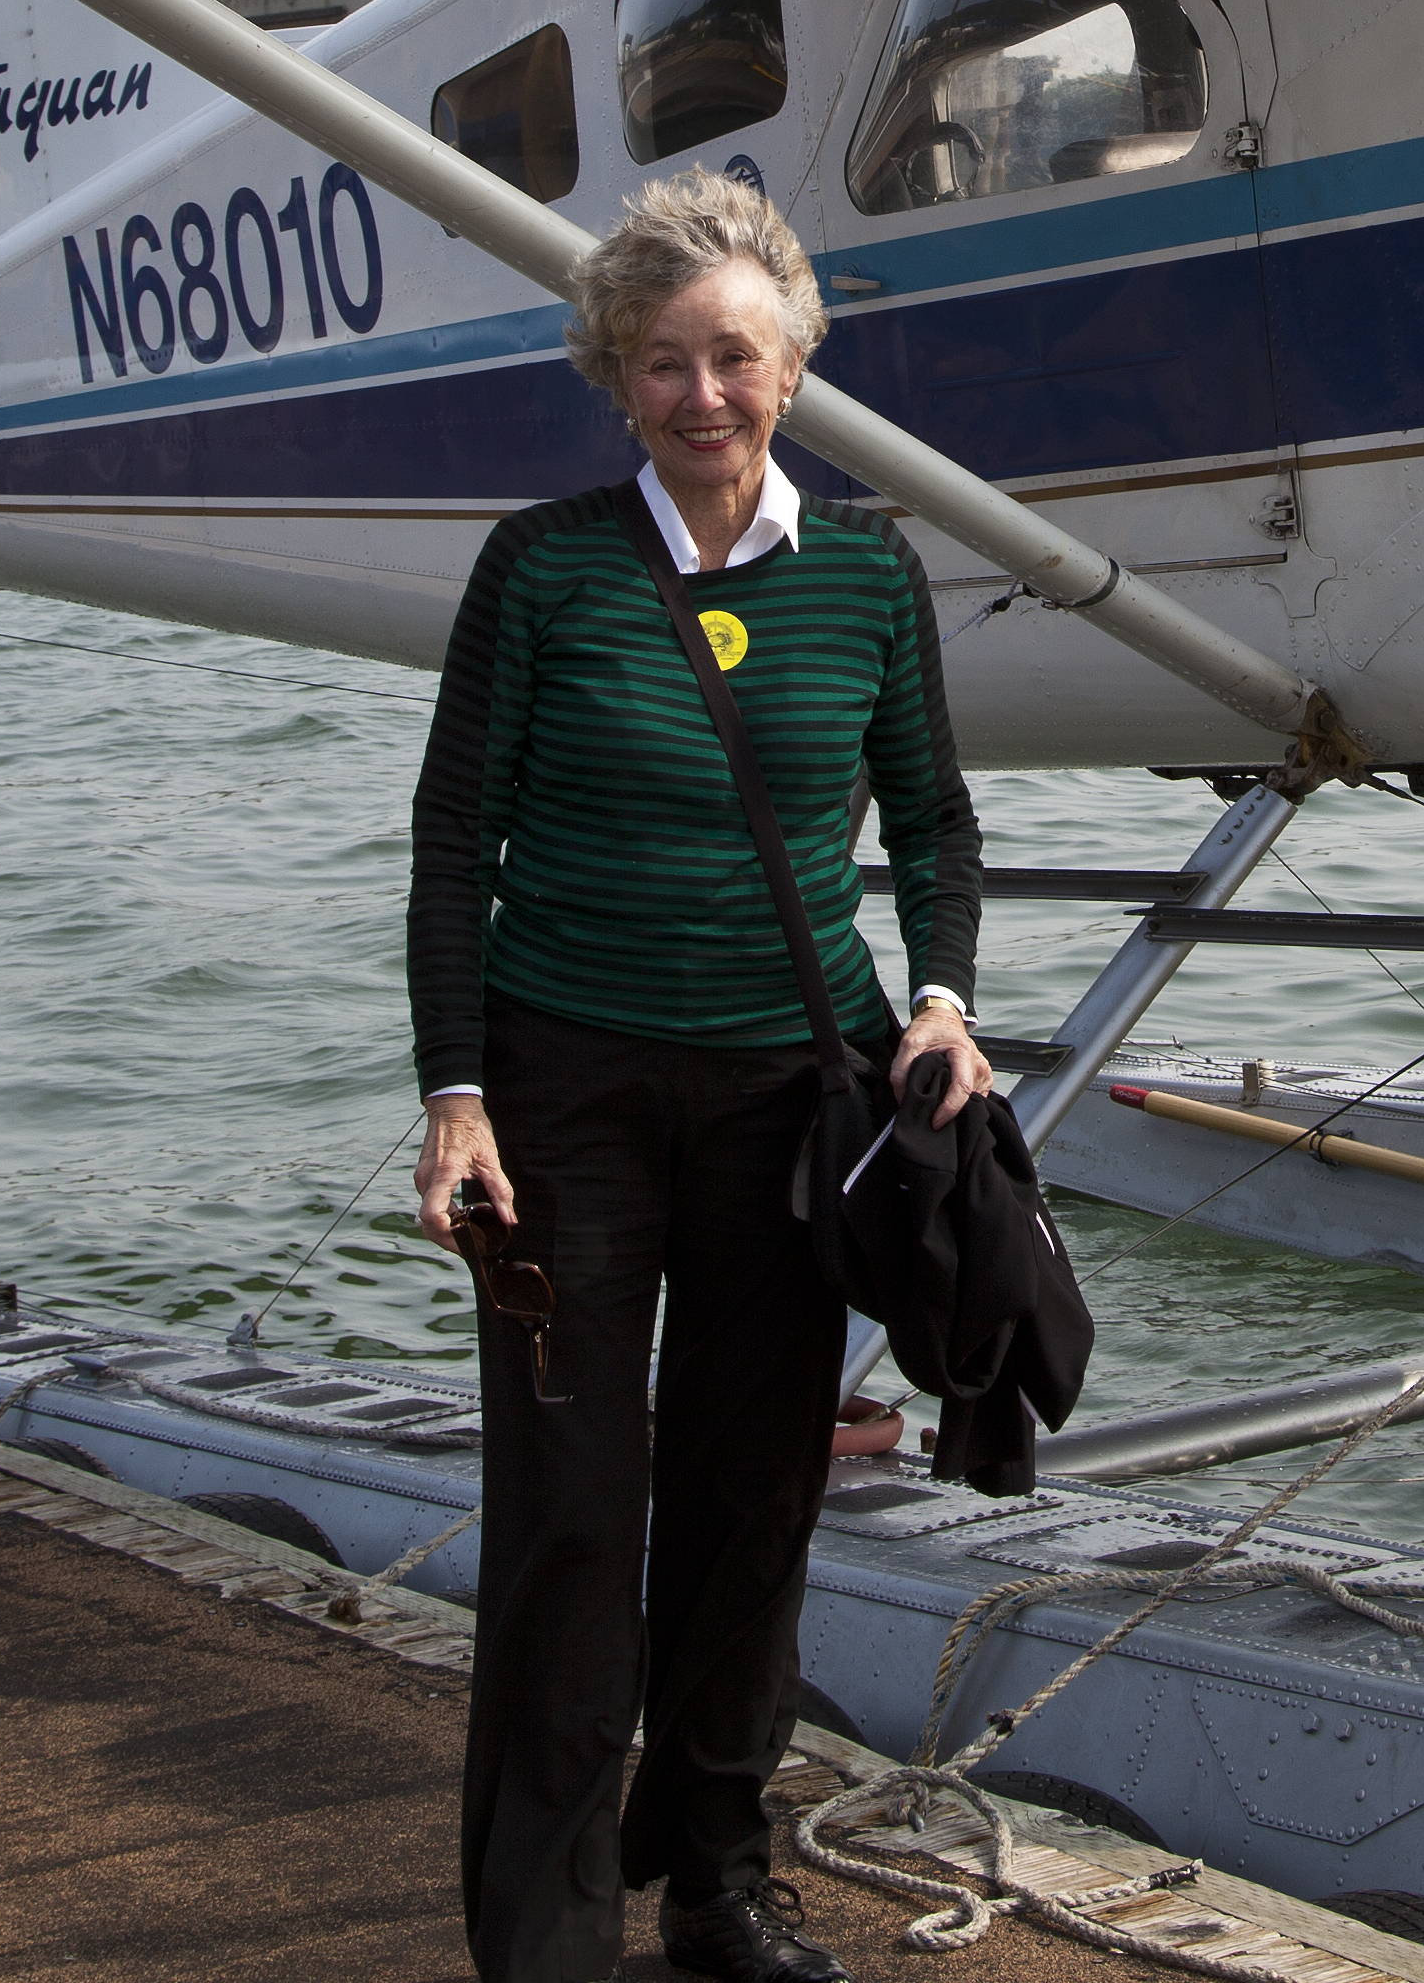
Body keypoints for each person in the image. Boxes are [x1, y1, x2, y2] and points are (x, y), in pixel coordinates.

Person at [408, 167, 990, 1983]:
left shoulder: (872, 578)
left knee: (755, 1503)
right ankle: (547, 1929)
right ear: (614, 376)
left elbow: (936, 821)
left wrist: (947, 1000)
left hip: (782, 1106)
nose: (703, 396)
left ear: (793, 366)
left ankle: (719, 1882)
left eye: (734, 357)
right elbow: (453, 845)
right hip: (566, 1101)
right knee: (571, 1514)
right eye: (663, 363)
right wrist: (456, 1096)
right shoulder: (545, 566)